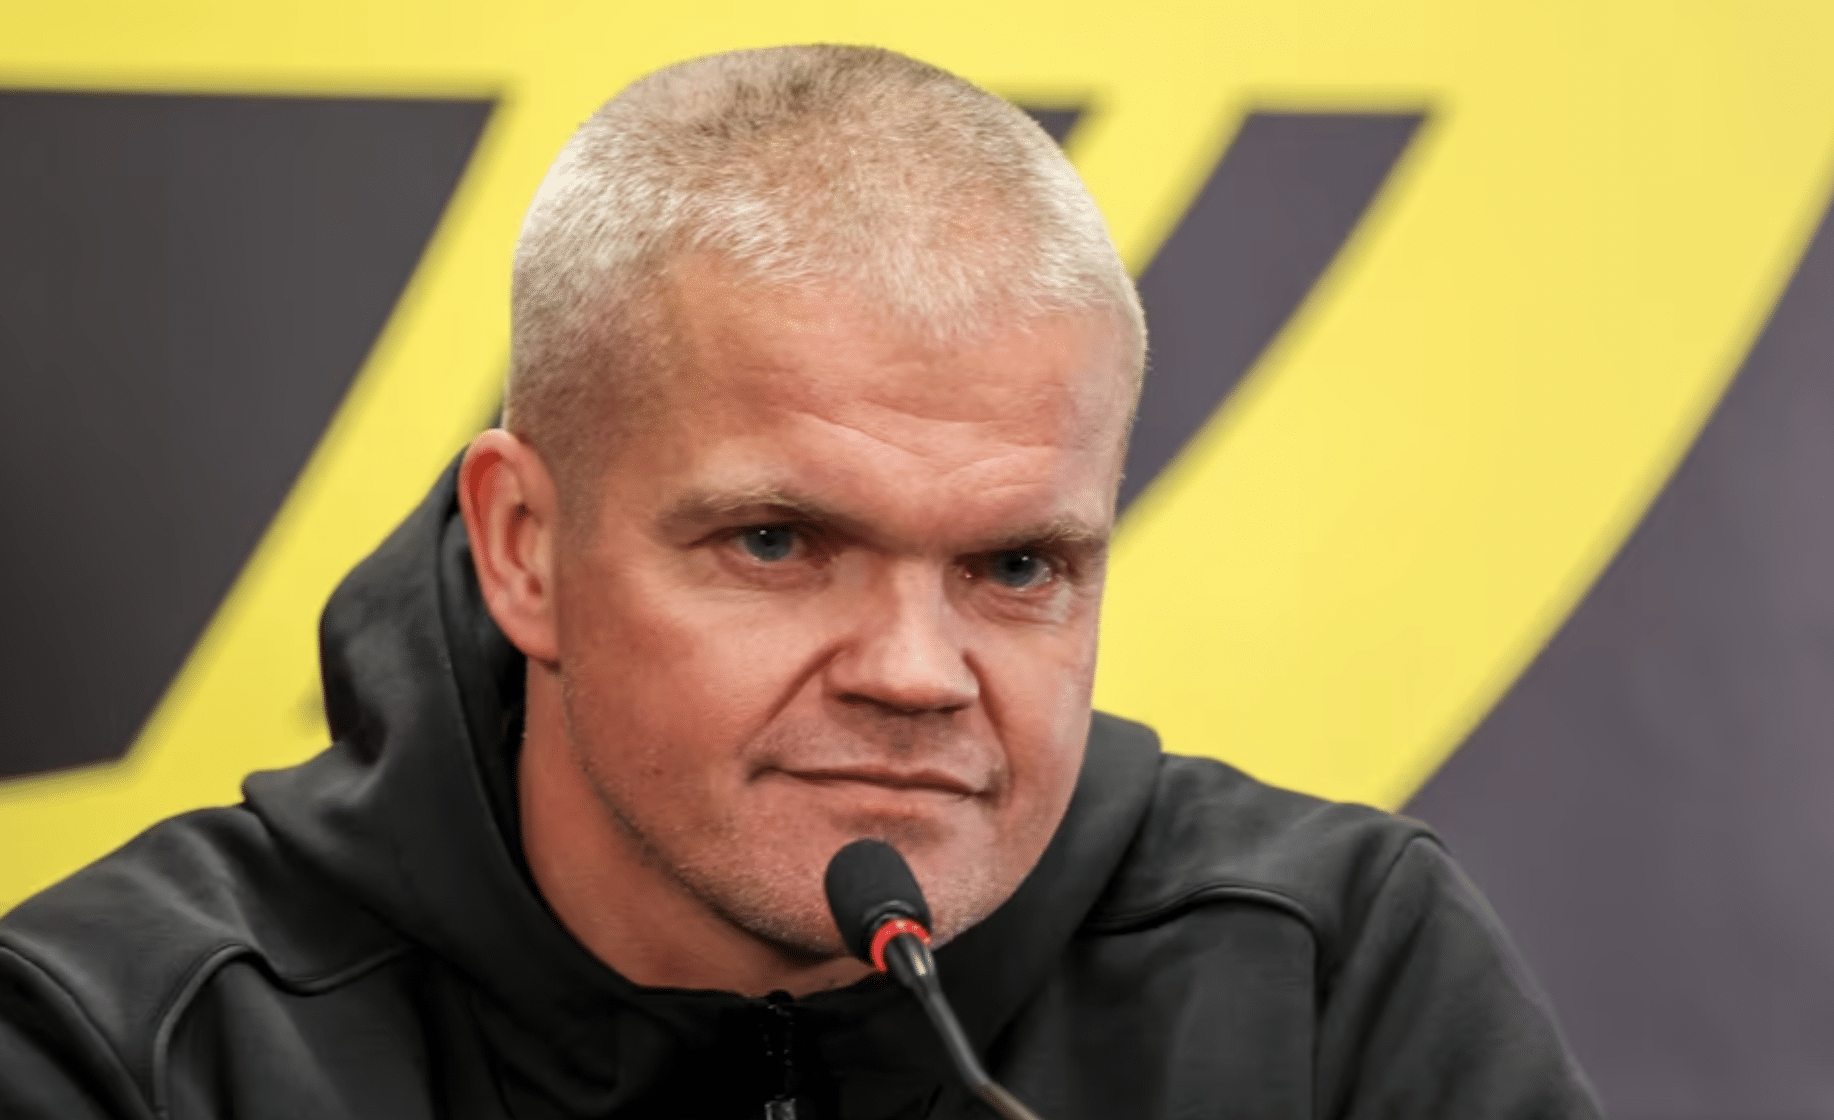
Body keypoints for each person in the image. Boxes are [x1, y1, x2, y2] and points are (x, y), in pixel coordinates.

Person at [0, 45, 1601, 1119]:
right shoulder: (129, 1043)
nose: (913, 671)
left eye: (1016, 565)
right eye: (774, 543)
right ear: (523, 549)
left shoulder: (1326, 980)